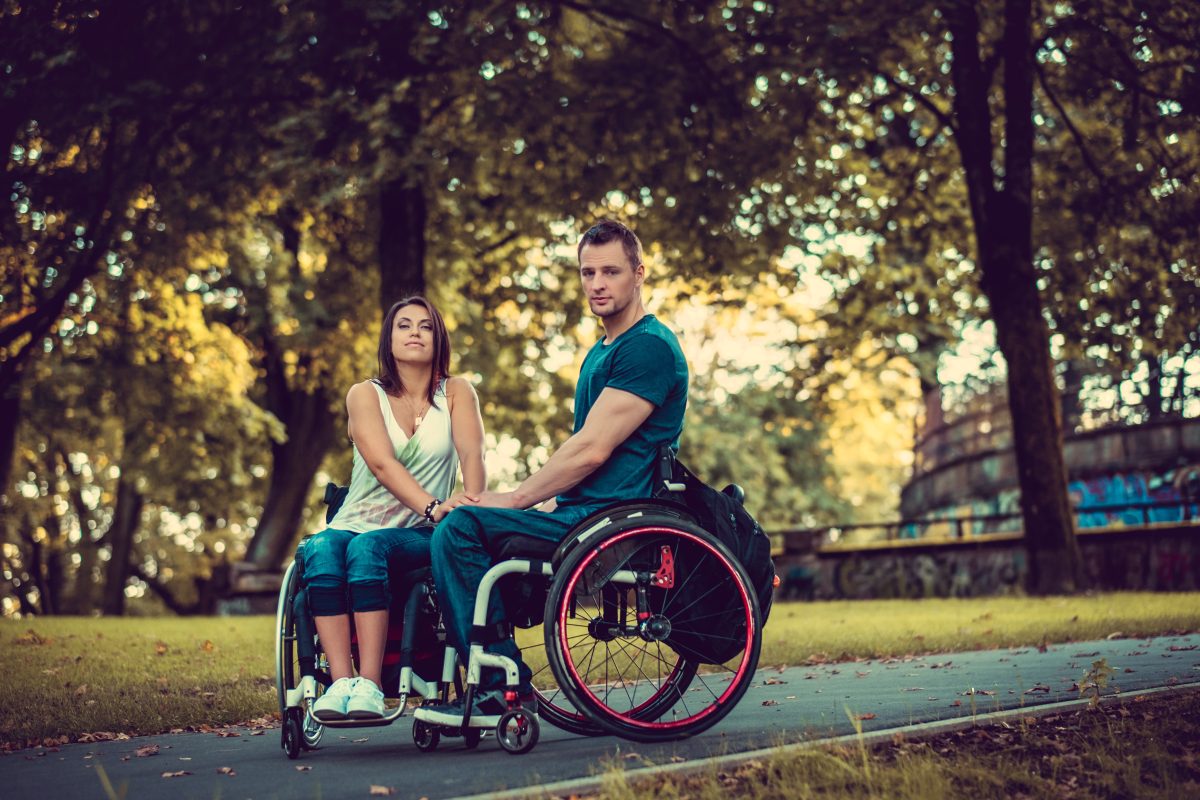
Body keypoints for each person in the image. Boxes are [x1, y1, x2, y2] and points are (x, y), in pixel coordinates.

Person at [414, 219, 689, 728]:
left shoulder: (647, 347)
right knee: (444, 525)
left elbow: (590, 450)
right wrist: (531, 502)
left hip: (613, 520)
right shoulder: (603, 352)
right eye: (588, 273)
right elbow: (580, 460)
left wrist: (516, 498)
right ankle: (444, 671)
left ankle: (499, 686)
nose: (597, 284)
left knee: (460, 528)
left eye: (610, 271)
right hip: (580, 513)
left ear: (639, 274)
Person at [305, 296, 485, 721]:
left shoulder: (456, 392)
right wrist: (432, 505)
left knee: (368, 550)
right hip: (359, 521)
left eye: (425, 326)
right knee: (319, 550)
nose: (415, 332)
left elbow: (473, 457)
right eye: (404, 325)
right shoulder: (364, 395)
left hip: (424, 532)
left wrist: (472, 508)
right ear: (389, 339)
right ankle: (339, 683)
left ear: (438, 338)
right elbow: (382, 464)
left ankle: (368, 685)